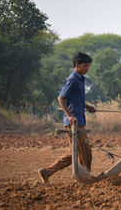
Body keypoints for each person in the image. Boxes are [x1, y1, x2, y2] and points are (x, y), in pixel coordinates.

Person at [38, 52, 96, 183]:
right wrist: (69, 116)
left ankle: (46, 172)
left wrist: (87, 107)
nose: (87, 68)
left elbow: (75, 99)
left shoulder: (81, 78)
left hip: (79, 119)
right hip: (73, 122)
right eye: (85, 66)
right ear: (77, 65)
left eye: (88, 66)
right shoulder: (73, 79)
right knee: (85, 152)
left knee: (74, 153)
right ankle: (86, 178)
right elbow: (61, 98)